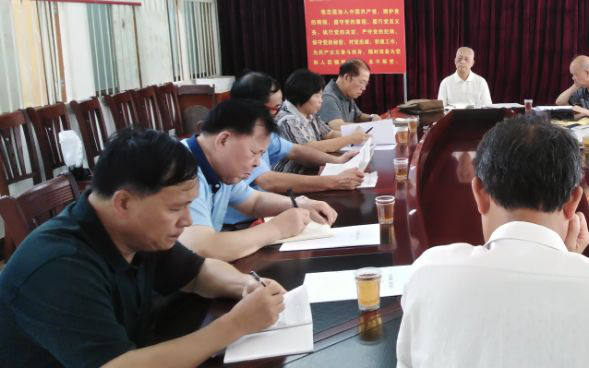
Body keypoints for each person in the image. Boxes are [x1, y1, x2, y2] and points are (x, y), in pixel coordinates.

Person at [397, 116, 589, 367]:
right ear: (573, 202)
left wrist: (564, 261)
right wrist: (567, 260)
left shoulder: (430, 273)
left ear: (479, 193)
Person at [0, 129, 288, 366]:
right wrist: (234, 325)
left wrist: (245, 285)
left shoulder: (135, 231)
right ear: (124, 203)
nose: (187, 220)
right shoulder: (59, 267)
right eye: (175, 208)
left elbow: (197, 272)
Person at [177, 99, 338, 262]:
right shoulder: (181, 169)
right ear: (223, 140)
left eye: (261, 154)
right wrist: (277, 228)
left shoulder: (220, 167)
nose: (258, 163)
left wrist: (299, 204)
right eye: (253, 153)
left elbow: (254, 201)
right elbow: (202, 248)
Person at [223, 71, 365, 229]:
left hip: (264, 209)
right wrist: (334, 181)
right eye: (276, 108)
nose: (278, 113)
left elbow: (296, 150)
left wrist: (336, 161)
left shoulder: (262, 130)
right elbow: (267, 181)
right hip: (239, 223)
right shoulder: (237, 137)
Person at [276, 69, 371, 173]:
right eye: (317, 95)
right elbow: (308, 148)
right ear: (303, 94)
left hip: (312, 170)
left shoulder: (309, 112)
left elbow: (329, 134)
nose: (321, 100)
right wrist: (350, 139)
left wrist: (356, 136)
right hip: (291, 175)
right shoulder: (287, 119)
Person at [319, 59, 381, 129]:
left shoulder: (346, 93)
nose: (364, 88)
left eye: (365, 84)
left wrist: (372, 117)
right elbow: (337, 126)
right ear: (347, 77)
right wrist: (368, 127)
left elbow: (358, 116)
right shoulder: (328, 97)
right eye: (361, 82)